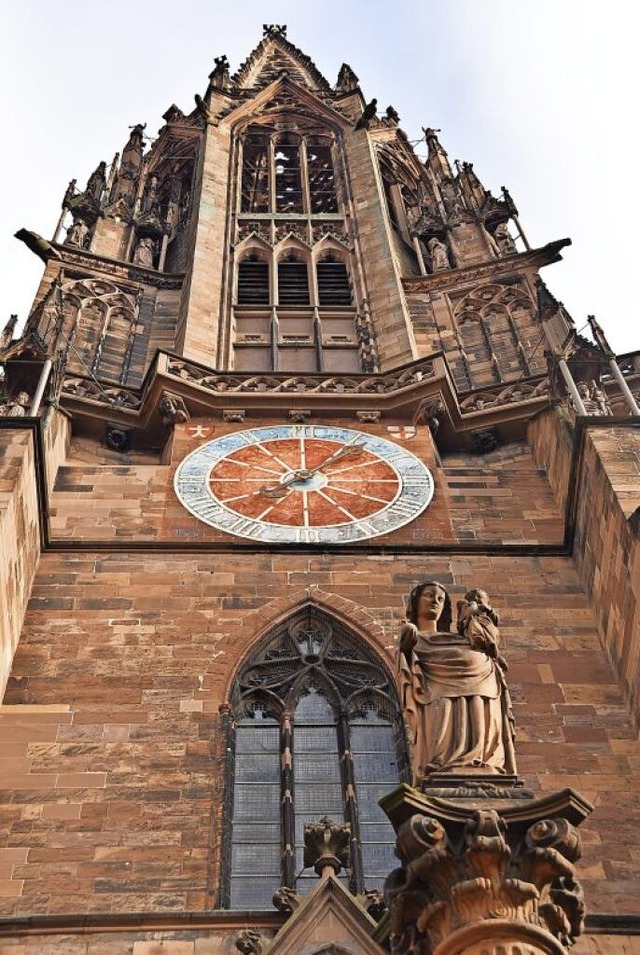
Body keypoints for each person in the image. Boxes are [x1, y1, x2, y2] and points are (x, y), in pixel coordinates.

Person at [397, 581, 516, 785]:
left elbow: (486, 641)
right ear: (416, 603)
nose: (435, 600)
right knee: (440, 722)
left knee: (480, 724)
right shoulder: (417, 638)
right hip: (436, 686)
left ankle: (481, 760)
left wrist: (474, 611)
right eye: (429, 595)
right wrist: (406, 646)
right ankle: (443, 763)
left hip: (481, 680)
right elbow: (408, 666)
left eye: (440, 598)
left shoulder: (460, 637)